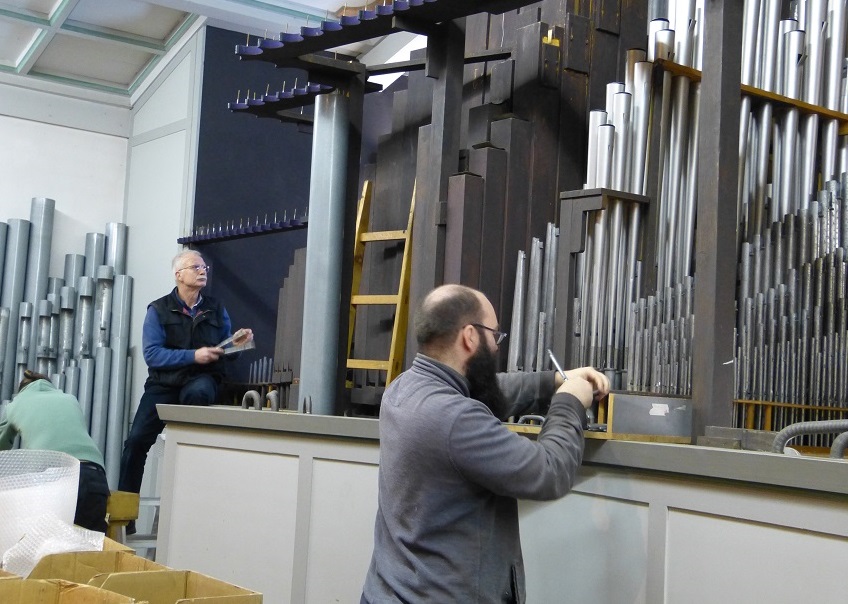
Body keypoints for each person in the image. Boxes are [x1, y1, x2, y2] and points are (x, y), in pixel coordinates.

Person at [361, 284, 609, 604]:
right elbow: (550, 471)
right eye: (495, 336)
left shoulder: (402, 389)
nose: (496, 347)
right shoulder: (455, 418)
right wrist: (570, 402)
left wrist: (554, 381)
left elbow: (489, 388)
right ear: (470, 337)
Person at [118, 250, 252, 505]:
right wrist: (193, 356)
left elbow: (224, 352)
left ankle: (187, 490)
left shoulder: (216, 309)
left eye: (205, 268)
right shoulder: (157, 310)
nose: (203, 271)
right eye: (196, 267)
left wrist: (237, 345)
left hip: (201, 379)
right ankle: (126, 511)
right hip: (163, 383)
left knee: (198, 393)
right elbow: (153, 355)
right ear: (178, 275)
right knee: (135, 442)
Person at [0, 369, 110, 532]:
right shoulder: (70, 399)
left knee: (45, 543)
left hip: (55, 477)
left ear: (21, 391)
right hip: (95, 475)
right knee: (90, 547)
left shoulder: (15, 405)